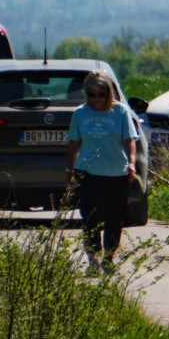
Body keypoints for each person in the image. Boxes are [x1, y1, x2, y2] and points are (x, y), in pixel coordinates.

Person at [65, 72, 139, 275]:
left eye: (101, 94)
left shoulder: (120, 112)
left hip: (116, 172)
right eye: (92, 94)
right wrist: (69, 174)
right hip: (88, 172)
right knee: (90, 217)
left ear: (109, 93)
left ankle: (109, 257)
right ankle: (93, 260)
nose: (97, 98)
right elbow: (72, 145)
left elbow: (129, 140)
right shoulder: (80, 114)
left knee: (114, 217)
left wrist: (132, 163)